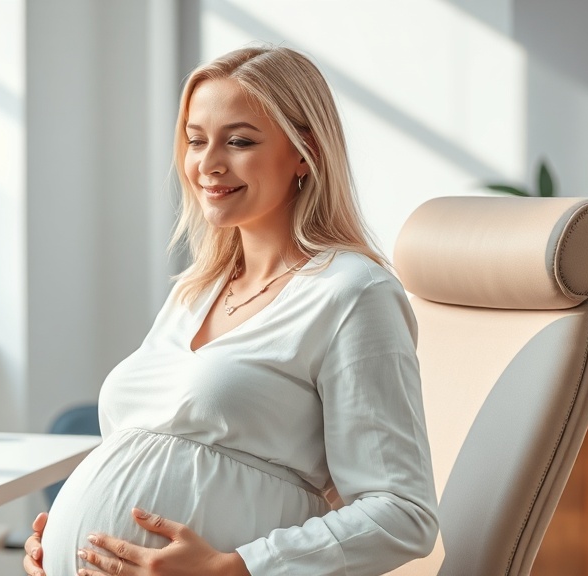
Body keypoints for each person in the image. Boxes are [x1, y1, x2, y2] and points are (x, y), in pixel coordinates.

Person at [23, 45, 438, 576]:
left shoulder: (353, 293)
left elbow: (402, 514)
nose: (208, 164)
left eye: (239, 141)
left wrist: (231, 568)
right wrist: (62, 541)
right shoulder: (195, 291)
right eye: (196, 141)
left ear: (304, 152)